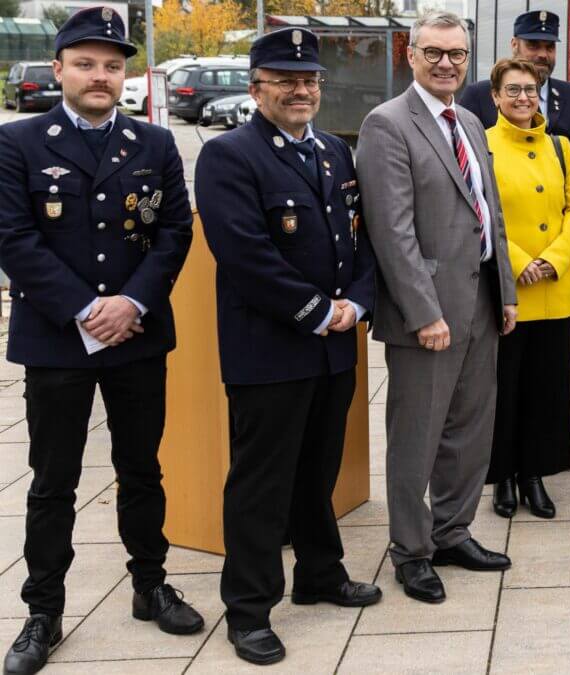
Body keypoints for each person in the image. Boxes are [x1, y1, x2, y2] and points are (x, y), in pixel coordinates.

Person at [0, 8, 201, 674]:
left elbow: (174, 231)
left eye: (112, 66)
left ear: (125, 75)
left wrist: (133, 301)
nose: (100, 76)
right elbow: (13, 238)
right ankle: (43, 610)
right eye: (85, 63)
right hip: (59, 340)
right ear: (57, 69)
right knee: (53, 480)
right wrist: (88, 309)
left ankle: (150, 583)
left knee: (142, 469)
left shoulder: (154, 143)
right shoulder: (20, 142)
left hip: (138, 336)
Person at [195, 27, 381, 666]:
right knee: (261, 485)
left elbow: (359, 240)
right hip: (270, 350)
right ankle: (248, 611)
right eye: (286, 81)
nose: (301, 91)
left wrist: (356, 303)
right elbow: (246, 254)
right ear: (256, 89)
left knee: (318, 471)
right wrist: (317, 310)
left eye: (309, 81)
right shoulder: (229, 156)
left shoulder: (333, 150)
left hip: (332, 349)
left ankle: (320, 574)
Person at [356, 10, 518, 605]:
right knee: (417, 436)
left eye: (457, 54)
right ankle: (412, 551)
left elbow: (489, 212)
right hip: (426, 310)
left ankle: (453, 532)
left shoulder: (472, 119)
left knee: (470, 429)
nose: (447, 62)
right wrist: (424, 313)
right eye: (435, 53)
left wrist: (504, 293)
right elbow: (392, 230)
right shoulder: (386, 125)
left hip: (479, 298)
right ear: (411, 55)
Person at [484, 58, 570, 519]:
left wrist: (553, 259)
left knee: (546, 389)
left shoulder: (561, 146)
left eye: (530, 89)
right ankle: (504, 477)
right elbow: (481, 212)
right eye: (513, 90)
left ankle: (534, 474)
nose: (523, 98)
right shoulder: (482, 145)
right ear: (495, 97)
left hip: (553, 287)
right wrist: (519, 263)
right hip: (510, 291)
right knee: (505, 388)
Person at [459, 10, 570, 138]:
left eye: (550, 47)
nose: (543, 55)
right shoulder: (478, 96)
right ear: (514, 45)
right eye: (533, 45)